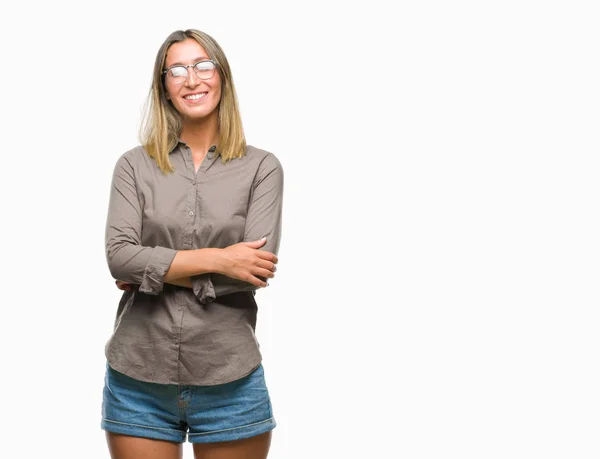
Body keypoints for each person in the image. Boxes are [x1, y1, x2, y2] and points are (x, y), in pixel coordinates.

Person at [100, 28, 284, 459]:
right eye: (177, 69)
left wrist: (152, 271)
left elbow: (252, 272)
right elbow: (119, 258)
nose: (192, 79)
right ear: (163, 86)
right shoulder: (133, 165)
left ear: (222, 76)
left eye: (203, 65)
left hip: (230, 378)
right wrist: (222, 259)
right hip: (137, 377)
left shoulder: (262, 168)